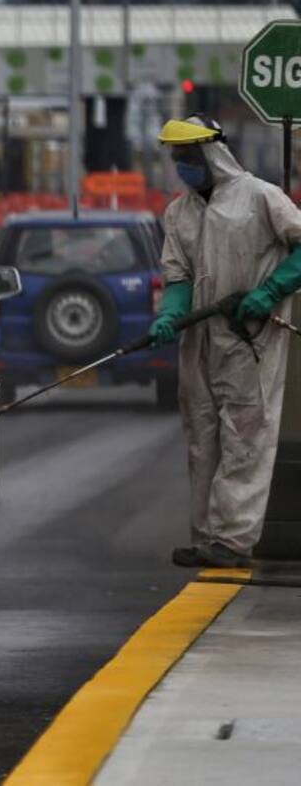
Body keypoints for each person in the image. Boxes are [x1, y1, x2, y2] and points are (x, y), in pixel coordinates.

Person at [149, 114, 301, 568]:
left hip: (250, 336)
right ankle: (206, 536)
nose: (182, 164)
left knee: (245, 435)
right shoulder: (179, 213)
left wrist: (270, 291)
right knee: (202, 434)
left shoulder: (259, 197)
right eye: (177, 157)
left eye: (188, 155)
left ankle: (233, 540)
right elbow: (178, 274)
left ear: (212, 152)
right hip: (200, 337)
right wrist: (170, 315)